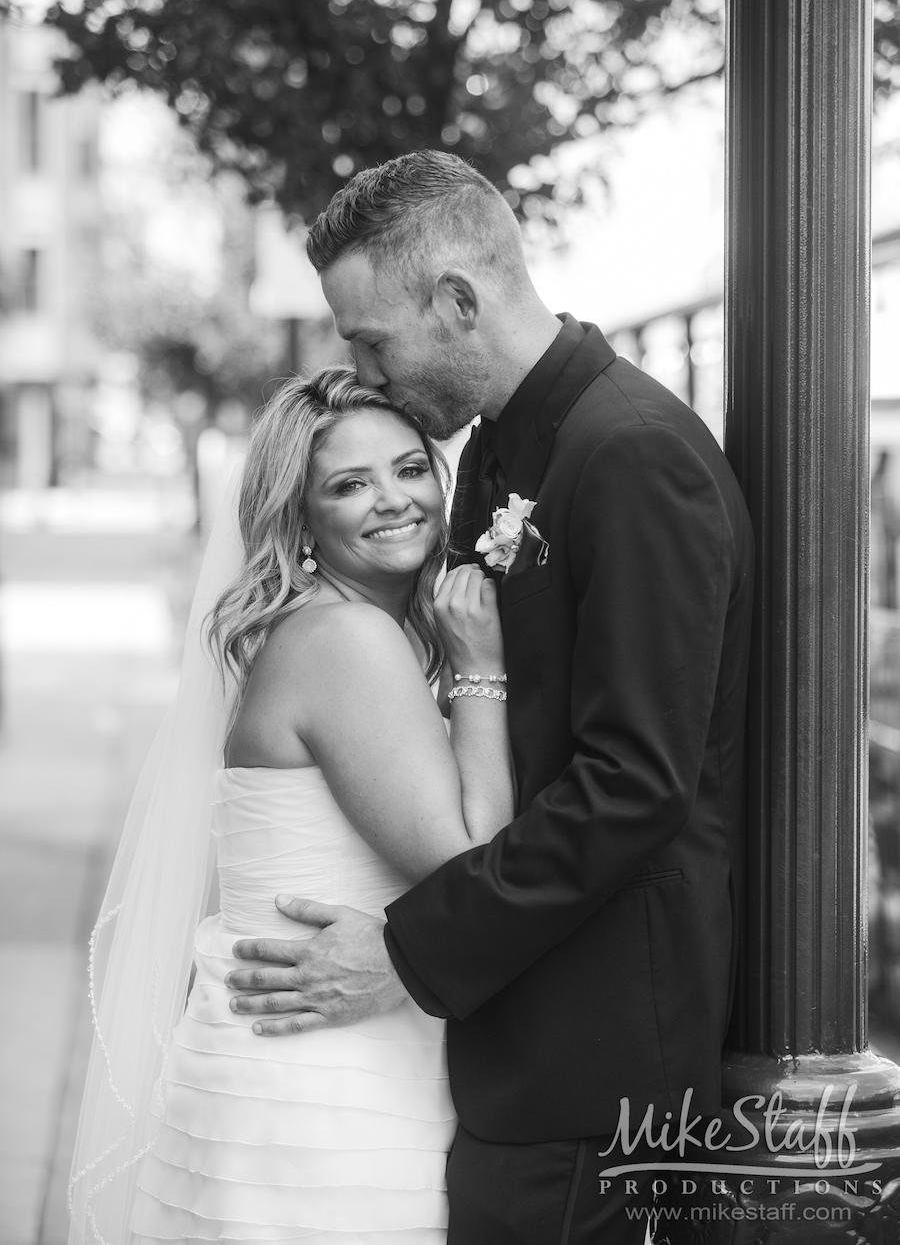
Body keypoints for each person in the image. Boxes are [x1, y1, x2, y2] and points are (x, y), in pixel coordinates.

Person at [224, 151, 756, 1245]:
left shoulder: (632, 455)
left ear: (458, 302)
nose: (362, 367)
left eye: (372, 339)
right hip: (510, 1035)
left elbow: (635, 786)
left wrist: (409, 952)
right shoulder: (505, 452)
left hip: (592, 1054)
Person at [68, 366, 516, 1244]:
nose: (394, 500)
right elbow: (474, 858)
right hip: (323, 1095)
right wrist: (480, 665)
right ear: (301, 520)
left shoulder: (329, 631)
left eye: (410, 469)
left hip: (299, 1063)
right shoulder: (345, 639)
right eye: (350, 485)